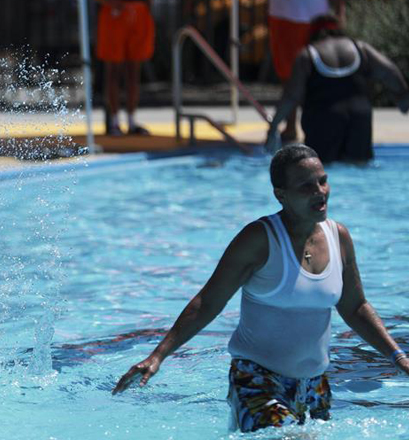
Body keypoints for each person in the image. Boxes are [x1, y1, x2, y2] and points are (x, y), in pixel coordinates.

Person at [113, 144, 409, 432]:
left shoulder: (338, 236)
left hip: (314, 383)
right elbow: (208, 301)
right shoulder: (259, 239)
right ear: (281, 195)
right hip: (256, 380)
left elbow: (355, 307)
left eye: (322, 181)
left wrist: (399, 358)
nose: (320, 192)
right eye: (306, 186)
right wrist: (158, 355)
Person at [265, 15, 409, 162]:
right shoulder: (360, 48)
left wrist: (274, 126)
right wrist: (402, 96)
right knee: (359, 168)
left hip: (323, 121)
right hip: (359, 118)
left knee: (322, 171)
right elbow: (389, 71)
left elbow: (292, 96)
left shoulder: (307, 55)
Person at [268, 0, 344, 142]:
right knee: (292, 72)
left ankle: (296, 126)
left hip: (301, 14)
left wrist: (340, 10)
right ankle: (295, 125)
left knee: (294, 73)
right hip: (295, 12)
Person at [97, 0, 155, 136]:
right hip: (114, 13)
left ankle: (131, 121)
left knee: (134, 72)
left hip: (138, 13)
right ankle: (114, 121)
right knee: (113, 72)